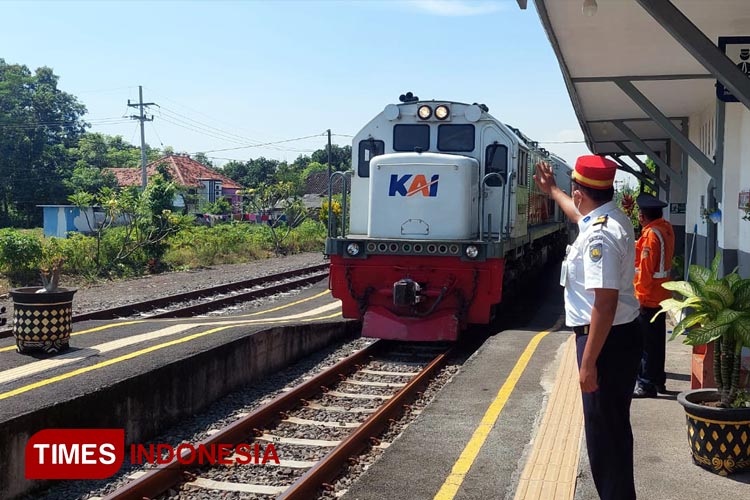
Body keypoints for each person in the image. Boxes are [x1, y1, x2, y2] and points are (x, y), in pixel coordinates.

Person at [533, 156, 642, 500]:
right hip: (616, 339)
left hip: (606, 344)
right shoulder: (607, 220)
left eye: (572, 191)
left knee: (604, 437)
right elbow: (577, 215)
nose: (572, 196)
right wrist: (552, 191)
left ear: (580, 192)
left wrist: (588, 362)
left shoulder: (600, 238)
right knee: (611, 431)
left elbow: (605, 304)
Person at [632, 193, 675, 398]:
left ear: (643, 215)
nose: (639, 216)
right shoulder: (666, 229)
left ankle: (646, 384)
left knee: (645, 345)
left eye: (640, 212)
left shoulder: (651, 235)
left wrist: (639, 297)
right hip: (663, 295)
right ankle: (658, 380)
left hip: (649, 297)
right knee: (657, 342)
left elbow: (646, 271)